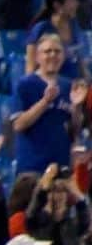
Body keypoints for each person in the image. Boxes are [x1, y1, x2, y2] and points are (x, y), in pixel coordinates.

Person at [12, 32, 85, 177]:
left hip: (61, 165)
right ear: (38, 57)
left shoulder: (69, 86)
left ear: (63, 56)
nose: (53, 55)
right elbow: (18, 124)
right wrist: (45, 102)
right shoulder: (25, 84)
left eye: (57, 51)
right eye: (47, 51)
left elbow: (75, 131)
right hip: (32, 166)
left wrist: (76, 108)